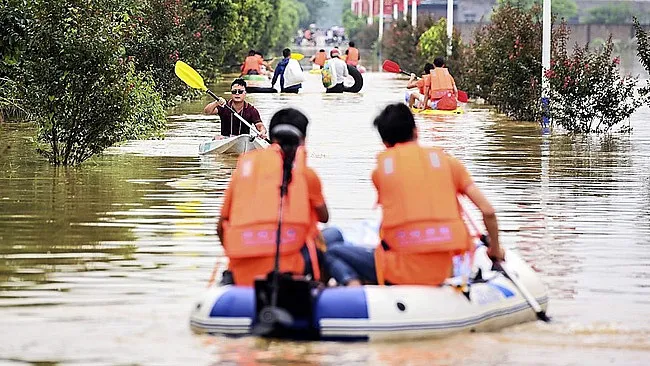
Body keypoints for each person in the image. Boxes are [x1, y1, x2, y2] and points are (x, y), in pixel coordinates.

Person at [324, 103, 504, 286]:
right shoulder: (450, 164)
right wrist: (495, 250)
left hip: (400, 272)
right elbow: (488, 211)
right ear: (416, 131)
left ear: (385, 143)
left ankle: (353, 290)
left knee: (331, 251)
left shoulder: (381, 173)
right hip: (445, 270)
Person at [216, 108, 330, 286]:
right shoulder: (306, 174)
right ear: (302, 140)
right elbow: (324, 217)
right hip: (290, 268)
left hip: (241, 268)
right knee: (334, 237)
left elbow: (221, 225)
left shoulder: (243, 168)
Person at [203, 78, 267, 139]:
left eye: (240, 91)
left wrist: (262, 132)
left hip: (243, 140)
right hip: (225, 139)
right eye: (234, 92)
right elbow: (207, 111)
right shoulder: (224, 105)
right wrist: (216, 103)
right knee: (217, 137)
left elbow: (259, 125)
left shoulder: (251, 110)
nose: (237, 94)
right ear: (231, 93)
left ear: (245, 93)